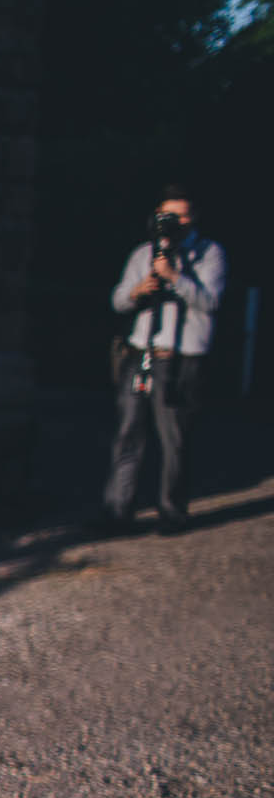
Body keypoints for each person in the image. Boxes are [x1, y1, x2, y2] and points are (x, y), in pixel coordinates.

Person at [101, 185, 226, 535]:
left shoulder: (209, 254)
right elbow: (118, 300)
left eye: (183, 215)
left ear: (194, 216)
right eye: (169, 215)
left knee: (174, 439)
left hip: (181, 358)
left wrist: (175, 277)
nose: (176, 222)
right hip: (140, 354)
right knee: (127, 434)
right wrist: (138, 291)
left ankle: (172, 512)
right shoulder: (143, 253)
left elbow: (211, 302)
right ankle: (117, 511)